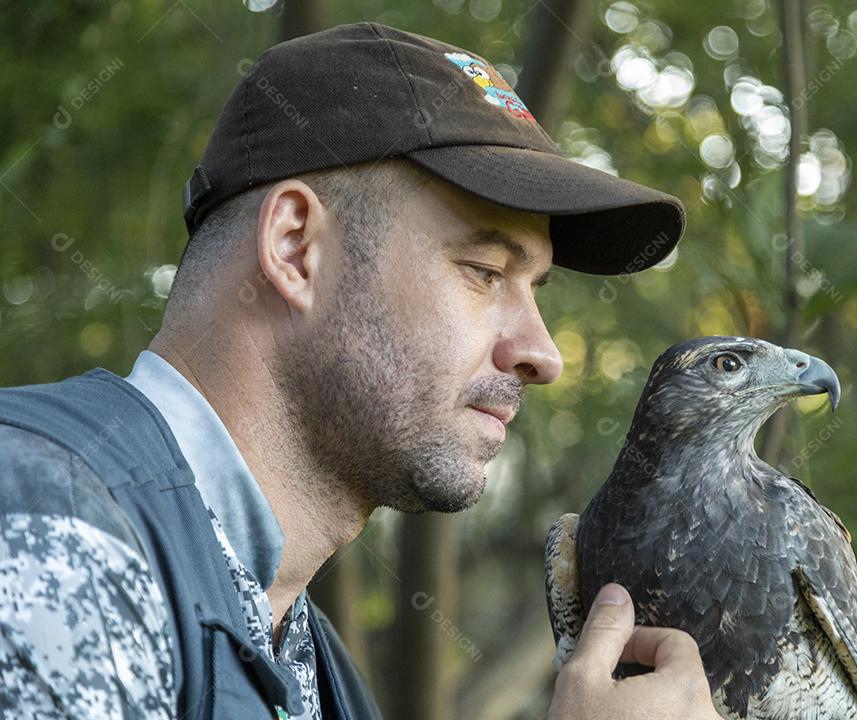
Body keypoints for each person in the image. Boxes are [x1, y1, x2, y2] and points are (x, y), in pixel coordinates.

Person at [0, 22, 721, 720]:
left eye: (534, 289)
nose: (544, 354)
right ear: (294, 248)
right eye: (484, 270)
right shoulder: (51, 526)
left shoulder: (317, 669)